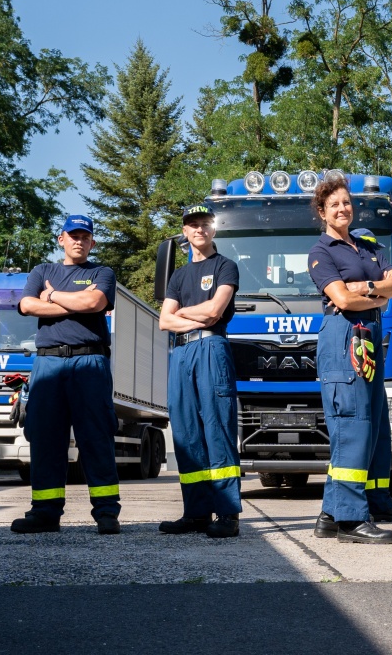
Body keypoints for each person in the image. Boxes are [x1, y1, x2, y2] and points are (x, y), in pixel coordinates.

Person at [307, 176, 392, 545]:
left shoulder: (367, 245)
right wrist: (372, 292)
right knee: (353, 427)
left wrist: (363, 289)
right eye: (334, 204)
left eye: (346, 202)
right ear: (323, 212)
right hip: (342, 338)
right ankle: (351, 521)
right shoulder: (321, 252)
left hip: (368, 338)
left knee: (367, 428)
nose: (342, 209)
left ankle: (330, 514)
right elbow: (342, 302)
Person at [11, 214, 121, 535]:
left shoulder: (102, 273)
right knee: (45, 440)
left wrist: (54, 296)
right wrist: (77, 305)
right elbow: (28, 306)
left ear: (92, 242)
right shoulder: (42, 271)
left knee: (96, 439)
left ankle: (106, 513)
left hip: (90, 363)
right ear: (61, 239)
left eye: (85, 237)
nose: (79, 241)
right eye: (73, 235)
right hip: (48, 363)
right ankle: (45, 513)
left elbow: (95, 301)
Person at [157, 204, 243, 539]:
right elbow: (165, 320)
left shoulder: (226, 267)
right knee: (186, 432)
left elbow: (214, 312)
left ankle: (226, 513)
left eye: (205, 224)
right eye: (192, 225)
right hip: (181, 353)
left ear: (213, 229)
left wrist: (186, 313)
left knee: (217, 428)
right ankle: (195, 513)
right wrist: (197, 314)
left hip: (211, 348)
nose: (199, 230)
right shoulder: (178, 276)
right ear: (185, 232)